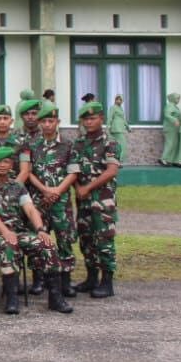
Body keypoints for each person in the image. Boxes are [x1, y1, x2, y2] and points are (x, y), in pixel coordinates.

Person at [0, 146, 72, 314]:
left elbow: (30, 209)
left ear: (12, 164)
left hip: (19, 232)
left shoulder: (17, 186)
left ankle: (55, 298)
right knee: (9, 246)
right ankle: (12, 298)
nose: (2, 165)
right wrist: (5, 232)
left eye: (6, 161)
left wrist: (41, 230)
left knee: (47, 245)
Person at [24, 102, 80, 297]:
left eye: (51, 120)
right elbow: (28, 172)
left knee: (64, 240)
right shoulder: (32, 145)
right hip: (39, 202)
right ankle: (40, 279)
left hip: (61, 202)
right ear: (39, 123)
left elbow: (73, 173)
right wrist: (45, 189)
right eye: (44, 121)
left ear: (58, 122)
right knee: (39, 239)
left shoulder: (68, 145)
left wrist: (57, 191)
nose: (47, 124)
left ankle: (65, 280)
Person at [72, 102, 120, 298]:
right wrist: (78, 188)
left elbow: (111, 170)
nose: (89, 122)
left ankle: (107, 282)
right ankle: (91, 278)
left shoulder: (110, 143)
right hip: (83, 201)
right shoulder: (79, 144)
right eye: (85, 119)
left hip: (102, 201)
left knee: (104, 240)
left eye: (92, 118)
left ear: (101, 119)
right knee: (86, 240)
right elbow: (73, 171)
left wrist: (87, 188)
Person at [0, 103, 33, 184]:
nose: (2, 122)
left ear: (11, 121)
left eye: (5, 118)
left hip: (16, 187)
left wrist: (13, 190)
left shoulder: (22, 142)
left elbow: (25, 171)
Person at [160, 93, 181, 165]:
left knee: (174, 144)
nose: (178, 100)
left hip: (174, 128)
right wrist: (174, 120)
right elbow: (167, 115)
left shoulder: (175, 106)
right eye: (177, 98)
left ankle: (171, 160)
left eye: (179, 98)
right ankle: (163, 159)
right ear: (172, 98)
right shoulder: (170, 106)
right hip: (170, 128)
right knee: (170, 143)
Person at [108, 95, 130, 161]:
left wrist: (128, 127)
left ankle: (117, 160)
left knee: (119, 146)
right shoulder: (113, 107)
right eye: (117, 99)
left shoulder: (120, 108)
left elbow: (123, 119)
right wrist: (107, 128)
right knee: (123, 145)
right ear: (115, 100)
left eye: (120, 100)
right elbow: (109, 118)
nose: (119, 101)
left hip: (121, 128)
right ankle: (119, 160)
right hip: (116, 128)